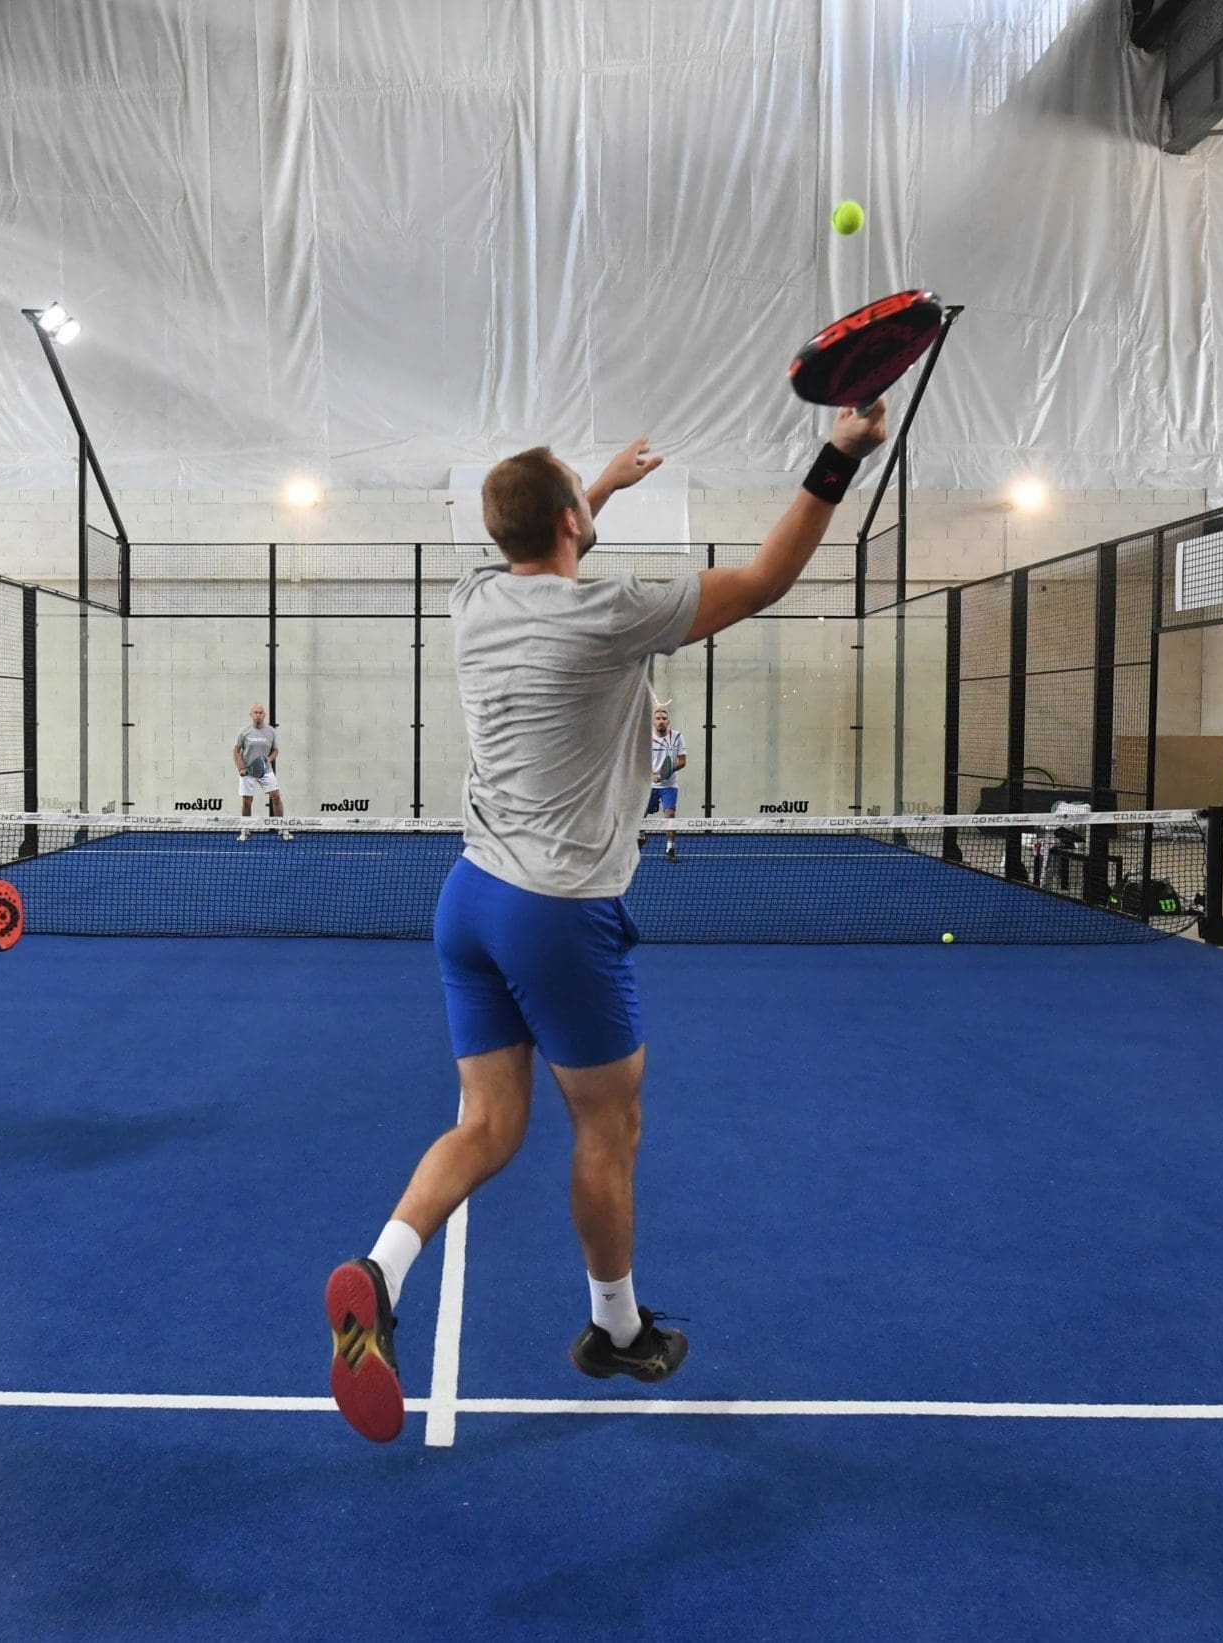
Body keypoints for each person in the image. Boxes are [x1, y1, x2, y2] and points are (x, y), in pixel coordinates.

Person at [324, 405, 890, 1441]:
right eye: (583, 505)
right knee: (608, 1127)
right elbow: (764, 579)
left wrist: (605, 486)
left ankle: (378, 1269)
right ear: (573, 526)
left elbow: (543, 524)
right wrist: (836, 455)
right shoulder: (610, 612)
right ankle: (614, 1330)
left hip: (469, 898)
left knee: (484, 1126)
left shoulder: (474, 595)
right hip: (557, 914)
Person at [234, 702, 293, 841]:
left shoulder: (271, 731)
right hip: (248, 771)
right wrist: (241, 768)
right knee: (247, 801)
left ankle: (282, 828)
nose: (258, 715)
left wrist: (269, 759)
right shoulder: (244, 731)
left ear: (264, 715)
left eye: (261, 712)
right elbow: (236, 751)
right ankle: (245, 829)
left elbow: (276, 750)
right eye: (255, 712)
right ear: (251, 715)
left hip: (266, 771)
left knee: (276, 797)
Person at [643, 704, 686, 860]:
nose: (661, 721)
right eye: (658, 719)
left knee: (670, 814)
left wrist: (666, 773)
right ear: (653, 721)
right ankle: (641, 834)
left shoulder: (677, 736)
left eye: (664, 718)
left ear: (668, 721)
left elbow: (682, 761)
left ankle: (670, 849)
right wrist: (652, 775)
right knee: (641, 813)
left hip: (669, 785)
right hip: (649, 784)